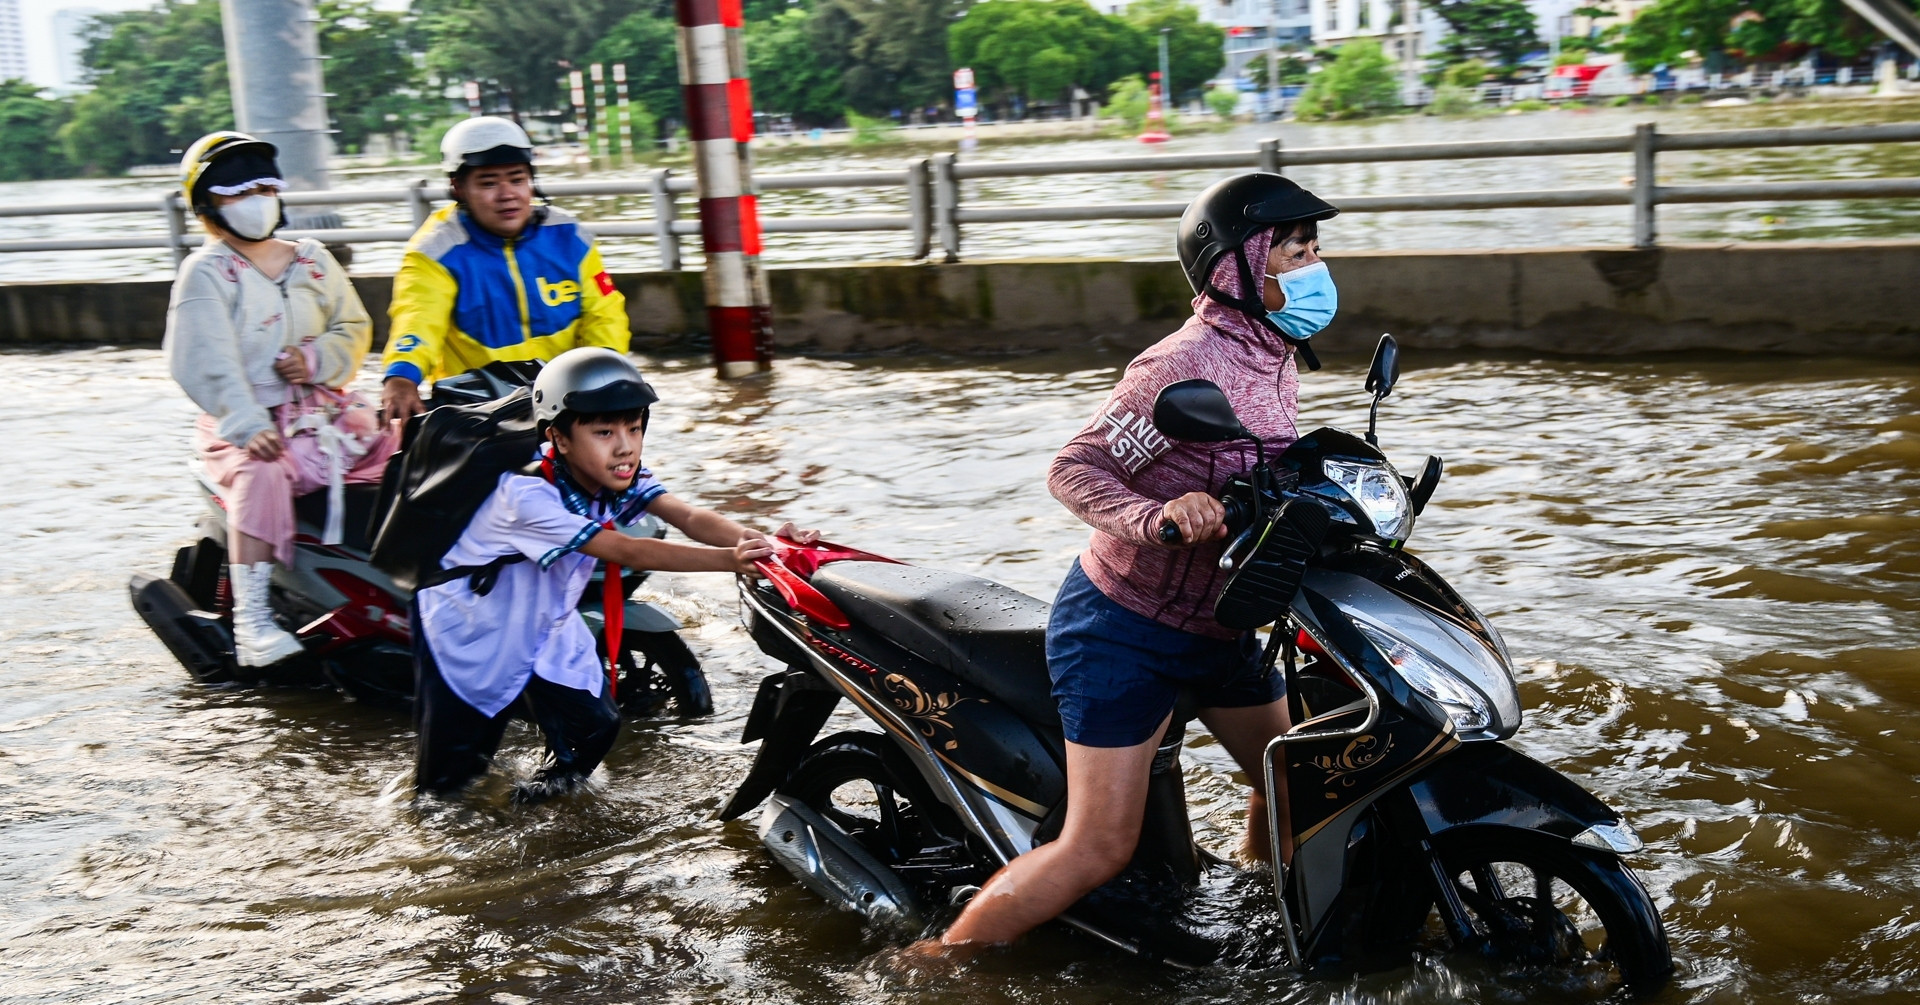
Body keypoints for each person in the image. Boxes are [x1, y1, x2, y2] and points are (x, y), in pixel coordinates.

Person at [915, 173, 1341, 957]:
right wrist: (1157, 517)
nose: (1312, 266)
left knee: (1290, 789)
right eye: (1293, 250)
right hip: (1124, 630)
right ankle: (937, 961)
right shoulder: (1177, 366)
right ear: (1236, 266)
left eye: (1314, 248)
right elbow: (1073, 468)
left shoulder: (1274, 349)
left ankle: (1258, 905)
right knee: (1098, 846)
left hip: (1222, 621)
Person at [413, 347, 817, 801]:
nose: (624, 445)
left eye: (634, 428)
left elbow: (687, 515)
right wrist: (732, 561)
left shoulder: (618, 472)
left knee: (595, 726)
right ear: (559, 439)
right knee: (448, 784)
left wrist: (762, 542)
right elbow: (626, 548)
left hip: (543, 620)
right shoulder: (524, 496)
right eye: (604, 431)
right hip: (472, 629)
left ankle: (529, 809)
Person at [164, 131, 398, 668]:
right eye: (236, 191)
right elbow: (203, 359)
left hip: (328, 414)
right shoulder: (207, 272)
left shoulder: (312, 259)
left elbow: (354, 326)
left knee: (416, 446)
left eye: (264, 185)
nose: (255, 197)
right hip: (250, 425)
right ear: (207, 204)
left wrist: (316, 360)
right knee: (261, 472)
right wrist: (247, 424)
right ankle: (253, 622)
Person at [381, 116, 629, 422]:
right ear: (458, 187)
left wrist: (603, 376)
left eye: (517, 179)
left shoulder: (570, 237)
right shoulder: (434, 253)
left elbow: (604, 315)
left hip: (569, 406)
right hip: (479, 415)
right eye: (488, 183)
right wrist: (401, 377)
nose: (507, 194)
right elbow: (417, 321)